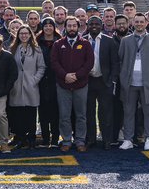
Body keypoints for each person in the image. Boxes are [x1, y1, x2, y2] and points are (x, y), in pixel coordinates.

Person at [117, 13, 149, 151]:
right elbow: (120, 59)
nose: (139, 24)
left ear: (146, 23)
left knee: (148, 112)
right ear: (133, 23)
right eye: (136, 22)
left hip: (148, 84)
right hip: (130, 84)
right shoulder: (125, 41)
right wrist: (123, 75)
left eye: (141, 22)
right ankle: (128, 139)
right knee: (128, 112)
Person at [50, 16, 94, 152]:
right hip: (63, 85)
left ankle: (80, 140)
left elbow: (89, 63)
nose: (72, 28)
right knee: (64, 115)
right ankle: (67, 140)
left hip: (81, 85)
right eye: (69, 26)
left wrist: (76, 76)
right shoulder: (58, 44)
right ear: (65, 26)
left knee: (81, 115)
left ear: (78, 26)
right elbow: (54, 62)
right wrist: (65, 75)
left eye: (74, 26)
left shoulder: (85, 43)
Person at [84, 16, 119, 149]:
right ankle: (91, 139)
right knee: (88, 112)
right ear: (87, 25)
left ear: (102, 25)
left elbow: (115, 63)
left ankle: (106, 140)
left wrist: (112, 80)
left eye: (97, 24)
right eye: (91, 24)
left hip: (104, 82)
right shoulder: (82, 40)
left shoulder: (109, 41)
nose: (94, 26)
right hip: (87, 81)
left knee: (106, 112)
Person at [8, 25, 45, 149]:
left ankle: (31, 138)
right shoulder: (13, 49)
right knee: (18, 114)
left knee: (30, 114)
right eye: (21, 33)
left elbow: (41, 67)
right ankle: (20, 137)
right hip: (16, 86)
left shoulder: (37, 50)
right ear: (18, 35)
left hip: (31, 86)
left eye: (26, 33)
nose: (24, 35)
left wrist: (34, 80)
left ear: (30, 35)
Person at [36, 19, 60, 147]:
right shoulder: (37, 42)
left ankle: (55, 139)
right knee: (43, 112)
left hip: (56, 80)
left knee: (55, 112)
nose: (48, 28)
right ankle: (45, 139)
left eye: (51, 25)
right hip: (41, 80)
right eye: (46, 26)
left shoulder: (60, 41)